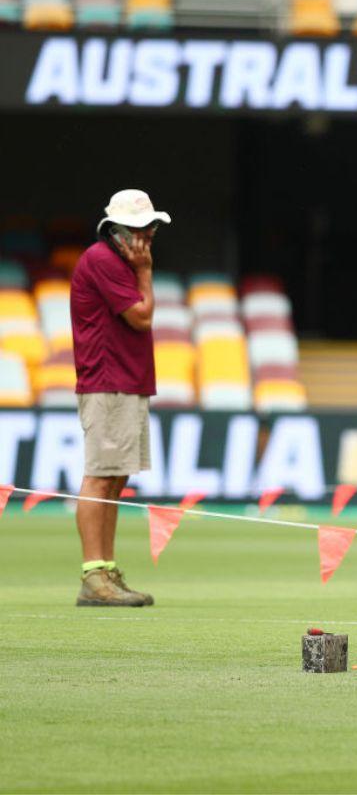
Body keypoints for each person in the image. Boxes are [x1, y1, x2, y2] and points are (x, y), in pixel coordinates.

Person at [70, 189, 169, 607]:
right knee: (100, 475)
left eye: (151, 228)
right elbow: (142, 316)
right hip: (109, 381)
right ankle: (94, 575)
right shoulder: (104, 260)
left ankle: (104, 570)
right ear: (117, 231)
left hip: (125, 380)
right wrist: (145, 271)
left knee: (114, 477)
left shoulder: (116, 260)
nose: (147, 235)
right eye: (141, 228)